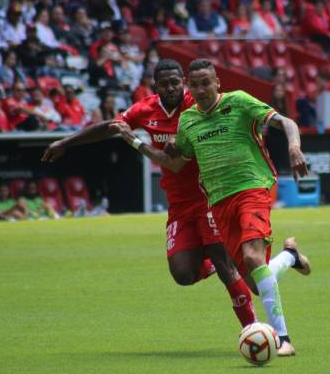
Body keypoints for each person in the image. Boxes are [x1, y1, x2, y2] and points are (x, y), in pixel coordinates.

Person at [42, 59, 305, 351]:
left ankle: (257, 333)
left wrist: (293, 147)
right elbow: (116, 130)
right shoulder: (155, 112)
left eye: (177, 82)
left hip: (213, 195)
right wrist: (66, 142)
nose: (173, 88)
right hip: (180, 203)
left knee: (234, 263)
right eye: (164, 84)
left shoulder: (204, 101)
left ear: (188, 82)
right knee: (184, 273)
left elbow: (272, 121)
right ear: (155, 86)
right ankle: (287, 257)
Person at [150, 58, 310, 356]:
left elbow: (287, 122)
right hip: (218, 202)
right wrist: (142, 145)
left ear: (217, 83)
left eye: (205, 83)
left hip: (253, 189)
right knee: (256, 280)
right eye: (194, 85)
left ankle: (284, 339)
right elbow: (176, 162)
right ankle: (290, 256)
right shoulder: (187, 120)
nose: (200, 90)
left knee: (251, 258)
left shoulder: (238, 102)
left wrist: (294, 147)